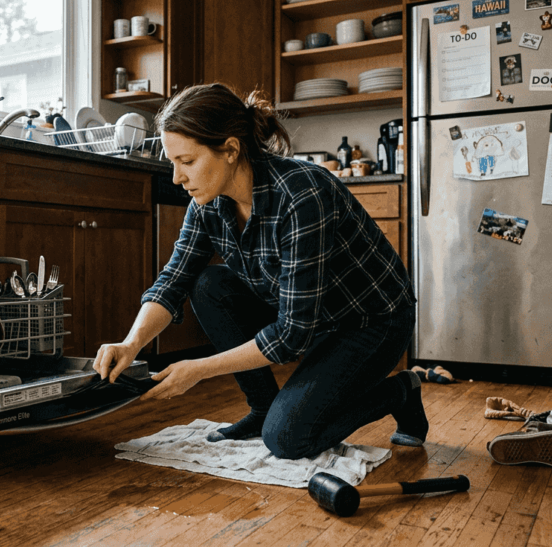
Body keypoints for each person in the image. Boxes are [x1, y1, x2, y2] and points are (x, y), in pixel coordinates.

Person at [93, 83, 425, 460]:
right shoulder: (207, 204)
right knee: (208, 285)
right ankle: (264, 407)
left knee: (288, 439)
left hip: (371, 323)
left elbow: (291, 335)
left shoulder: (301, 195)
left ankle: (401, 391)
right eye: (173, 163)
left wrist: (199, 369)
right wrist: (131, 345)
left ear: (231, 150)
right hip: (309, 318)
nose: (176, 177)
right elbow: (174, 280)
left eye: (186, 161)